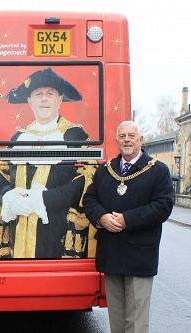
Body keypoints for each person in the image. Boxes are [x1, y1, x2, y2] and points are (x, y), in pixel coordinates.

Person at [0, 67, 94, 259]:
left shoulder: (75, 135)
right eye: (38, 94)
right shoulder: (18, 137)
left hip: (55, 228)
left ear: (60, 99)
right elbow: (0, 174)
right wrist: (8, 196)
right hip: (18, 225)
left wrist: (43, 200)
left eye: (50, 94)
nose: (44, 99)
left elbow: (86, 179)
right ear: (30, 102)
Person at [83, 120, 174, 333]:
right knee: (116, 316)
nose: (127, 140)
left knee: (136, 320)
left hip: (139, 255)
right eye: (123, 136)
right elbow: (89, 199)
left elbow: (163, 206)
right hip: (112, 252)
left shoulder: (158, 171)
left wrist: (127, 219)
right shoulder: (105, 170)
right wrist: (102, 217)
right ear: (117, 140)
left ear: (140, 140)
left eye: (132, 136)